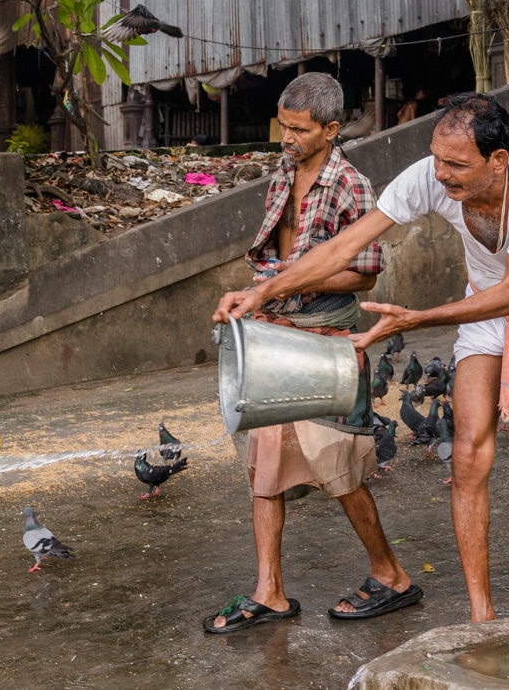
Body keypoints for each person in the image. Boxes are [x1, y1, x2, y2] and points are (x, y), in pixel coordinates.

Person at [215, 93, 509, 622]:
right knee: (466, 456)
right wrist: (263, 292)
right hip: (482, 309)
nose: (441, 174)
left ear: (499, 160)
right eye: (437, 158)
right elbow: (347, 246)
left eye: (457, 164)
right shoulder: (428, 176)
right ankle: (482, 619)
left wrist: (414, 319)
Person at [204, 73, 419, 635]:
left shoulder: (352, 183)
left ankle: (393, 575)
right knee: (264, 471)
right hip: (276, 337)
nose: (288, 138)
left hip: (326, 345)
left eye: (299, 130)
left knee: (339, 470)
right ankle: (269, 591)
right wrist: (263, 290)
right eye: (284, 126)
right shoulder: (283, 172)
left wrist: (289, 286)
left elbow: (366, 275)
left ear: (330, 129)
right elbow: (277, 257)